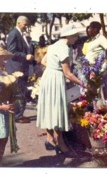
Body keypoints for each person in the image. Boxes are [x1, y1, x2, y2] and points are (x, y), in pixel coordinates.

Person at [36, 24, 87, 156]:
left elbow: (43, 61)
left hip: (48, 76)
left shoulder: (53, 45)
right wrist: (83, 84)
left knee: (49, 107)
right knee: (57, 108)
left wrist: (53, 67)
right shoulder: (65, 48)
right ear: (69, 35)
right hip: (56, 78)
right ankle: (60, 142)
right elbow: (68, 73)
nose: (76, 38)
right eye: (75, 35)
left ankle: (50, 138)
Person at [6, 16, 34, 123]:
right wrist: (24, 56)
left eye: (27, 25)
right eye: (25, 24)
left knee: (22, 92)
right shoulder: (14, 33)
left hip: (22, 68)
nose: (26, 27)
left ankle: (19, 114)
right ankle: (17, 116)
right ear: (18, 23)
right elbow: (11, 52)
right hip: (16, 69)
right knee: (18, 93)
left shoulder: (22, 35)